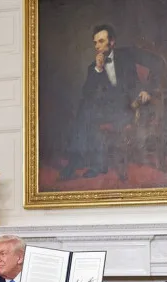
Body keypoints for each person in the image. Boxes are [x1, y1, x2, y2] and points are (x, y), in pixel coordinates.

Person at [60, 24, 152, 180]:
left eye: (101, 41)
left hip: (126, 108)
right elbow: (86, 93)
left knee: (86, 111)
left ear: (112, 42)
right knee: (85, 108)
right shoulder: (93, 67)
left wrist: (144, 90)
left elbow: (137, 80)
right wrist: (98, 69)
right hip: (106, 111)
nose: (97, 46)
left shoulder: (126, 58)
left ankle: (78, 161)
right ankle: (88, 163)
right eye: (95, 43)